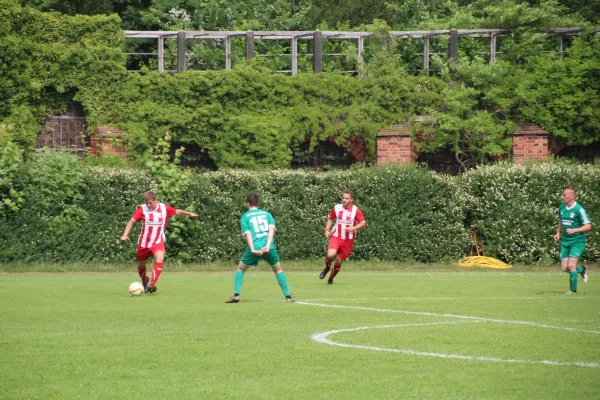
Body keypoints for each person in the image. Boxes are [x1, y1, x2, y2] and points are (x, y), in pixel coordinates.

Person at [120, 191, 198, 293]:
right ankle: (144, 281)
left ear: (155, 200)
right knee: (141, 266)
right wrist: (125, 235)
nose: (148, 205)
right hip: (143, 243)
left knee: (160, 259)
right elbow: (132, 221)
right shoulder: (142, 209)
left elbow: (177, 211)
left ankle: (152, 285)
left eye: (150, 202)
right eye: (146, 202)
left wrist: (189, 213)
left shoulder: (164, 208)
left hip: (158, 241)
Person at [225, 194, 295, 303]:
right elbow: (271, 229)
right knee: (278, 270)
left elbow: (248, 233)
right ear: (258, 203)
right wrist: (267, 245)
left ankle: (236, 295)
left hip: (255, 247)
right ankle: (288, 297)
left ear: (247, 203)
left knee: (240, 269)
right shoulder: (267, 214)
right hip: (269, 247)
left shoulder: (245, 216)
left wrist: (253, 249)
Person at [319, 189, 366, 284]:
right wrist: (327, 230)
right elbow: (331, 219)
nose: (344, 200)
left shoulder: (355, 210)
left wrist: (353, 228)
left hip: (348, 240)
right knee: (330, 254)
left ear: (351, 200)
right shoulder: (337, 208)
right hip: (336, 236)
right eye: (343, 197)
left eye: (347, 198)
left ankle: (331, 278)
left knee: (339, 261)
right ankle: (327, 268)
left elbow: (363, 223)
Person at [553, 187, 591, 294]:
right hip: (565, 241)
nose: (563, 197)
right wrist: (558, 233)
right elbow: (561, 220)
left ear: (571, 196)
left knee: (570, 266)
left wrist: (574, 230)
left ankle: (572, 291)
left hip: (577, 241)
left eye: (564, 195)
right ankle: (582, 269)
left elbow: (588, 226)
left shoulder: (579, 209)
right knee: (565, 268)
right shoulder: (562, 207)